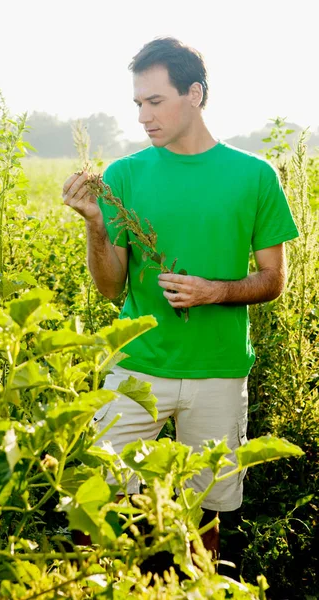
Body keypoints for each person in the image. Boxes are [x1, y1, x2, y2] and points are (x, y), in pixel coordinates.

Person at [62, 37, 299, 558]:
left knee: (202, 517)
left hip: (217, 368)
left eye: (155, 101)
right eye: (138, 104)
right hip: (138, 364)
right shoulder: (124, 176)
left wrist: (215, 291)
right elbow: (110, 289)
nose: (144, 116)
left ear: (194, 94)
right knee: (95, 501)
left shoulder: (256, 176)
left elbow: (273, 279)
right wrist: (97, 227)